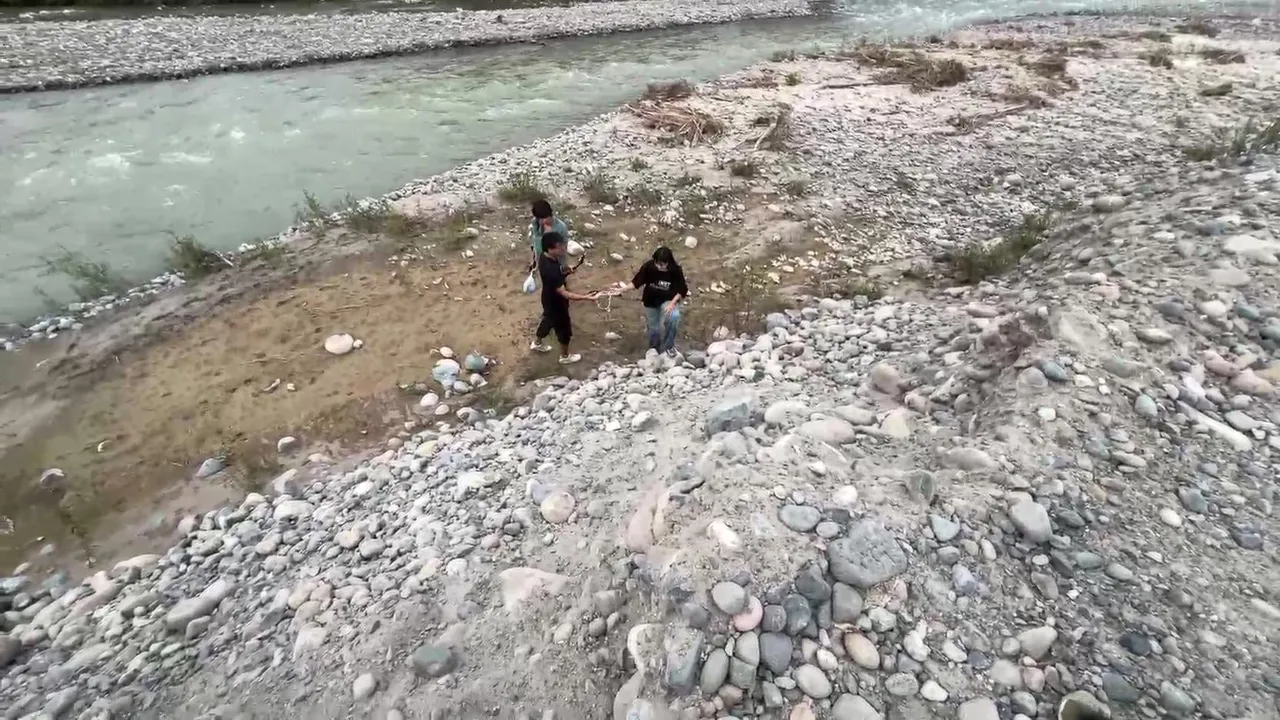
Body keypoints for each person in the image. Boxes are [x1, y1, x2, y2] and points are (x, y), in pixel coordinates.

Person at [531, 232, 595, 364]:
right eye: (559, 247)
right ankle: (565, 357)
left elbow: (557, 271)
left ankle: (537, 343)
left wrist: (565, 270)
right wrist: (586, 297)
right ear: (550, 248)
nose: (563, 249)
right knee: (564, 330)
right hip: (557, 304)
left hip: (547, 298)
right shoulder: (552, 271)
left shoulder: (544, 257)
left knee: (548, 320)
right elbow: (565, 293)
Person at [631, 246, 689, 356]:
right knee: (654, 329)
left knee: (673, 317)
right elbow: (636, 282)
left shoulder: (675, 270)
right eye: (657, 263)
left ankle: (669, 346)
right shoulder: (649, 266)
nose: (659, 266)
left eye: (662, 264)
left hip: (668, 300)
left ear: (668, 262)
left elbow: (682, 290)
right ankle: (654, 350)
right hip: (650, 301)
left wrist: (672, 303)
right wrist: (621, 289)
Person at [530, 199, 572, 273]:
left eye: (545, 218)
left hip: (555, 264)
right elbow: (535, 242)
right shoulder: (536, 222)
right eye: (540, 219)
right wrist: (534, 260)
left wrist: (549, 237)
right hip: (540, 261)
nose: (543, 221)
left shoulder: (561, 228)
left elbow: (562, 250)